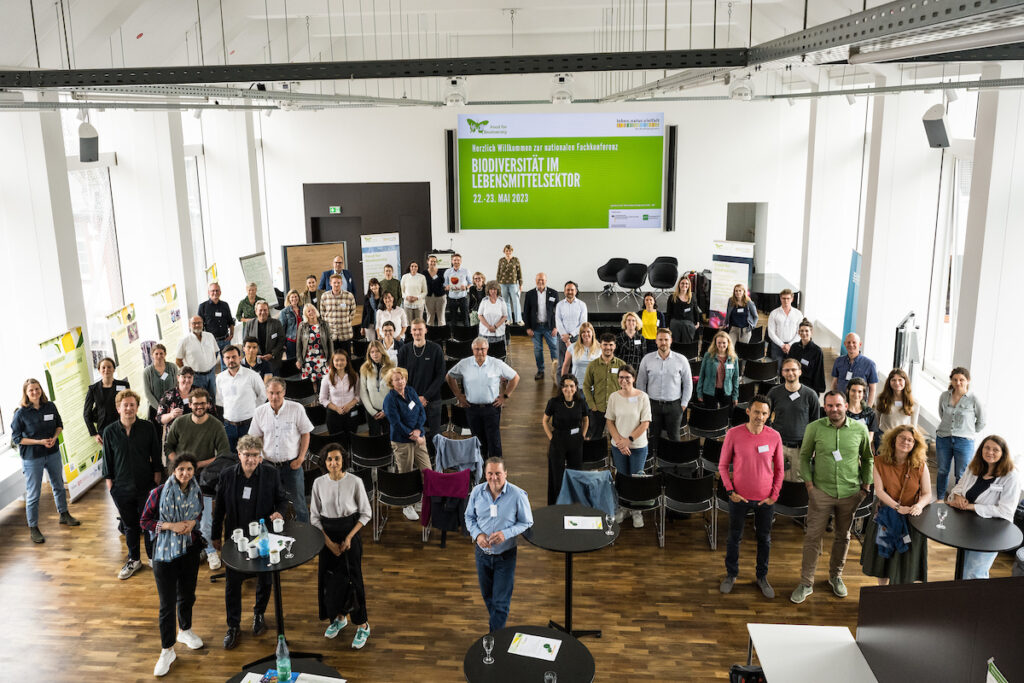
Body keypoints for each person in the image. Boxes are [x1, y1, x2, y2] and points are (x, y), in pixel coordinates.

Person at [790, 391, 873, 604]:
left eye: (837, 405)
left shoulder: (860, 429)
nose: (834, 409)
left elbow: (867, 458)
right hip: (821, 493)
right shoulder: (814, 428)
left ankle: (836, 576)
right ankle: (806, 582)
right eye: (829, 406)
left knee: (843, 536)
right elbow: (805, 457)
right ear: (824, 407)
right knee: (812, 537)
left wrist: (865, 487)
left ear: (846, 405)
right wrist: (809, 486)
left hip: (850, 493)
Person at [211, 435, 288, 650]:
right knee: (232, 583)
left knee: (265, 579)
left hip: (262, 537)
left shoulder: (271, 474)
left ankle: (259, 614)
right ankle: (233, 626)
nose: (251, 460)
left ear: (260, 456)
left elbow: (282, 500)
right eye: (247, 455)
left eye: (255, 456)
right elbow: (220, 509)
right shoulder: (227, 475)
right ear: (239, 455)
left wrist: (279, 513)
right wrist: (215, 535)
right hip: (236, 539)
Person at [140, 453, 205, 676]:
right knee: (167, 604)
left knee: (188, 595)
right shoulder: (158, 493)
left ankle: (185, 630)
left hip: (189, 550)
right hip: (164, 554)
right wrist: (170, 526)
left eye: (189, 469)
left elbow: (200, 512)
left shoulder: (197, 490)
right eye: (181, 469)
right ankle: (167, 649)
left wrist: (193, 522)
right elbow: (145, 521)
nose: (185, 473)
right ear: (173, 471)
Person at [718, 395, 783, 599]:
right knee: (734, 538)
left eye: (764, 413)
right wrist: (730, 492)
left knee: (764, 539)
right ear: (748, 411)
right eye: (756, 412)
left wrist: (774, 495)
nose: (760, 417)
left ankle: (762, 577)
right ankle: (731, 574)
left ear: (769, 415)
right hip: (739, 498)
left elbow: (780, 469)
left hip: (765, 500)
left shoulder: (774, 436)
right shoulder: (733, 434)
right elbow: (722, 466)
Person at [310, 443, 372, 649]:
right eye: (329, 459)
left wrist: (348, 538)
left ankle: (362, 625)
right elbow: (315, 518)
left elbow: (365, 513)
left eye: (337, 458)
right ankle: (339, 617)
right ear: (324, 462)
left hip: (349, 534)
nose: (333, 463)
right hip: (326, 536)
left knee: (353, 579)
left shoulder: (355, 482)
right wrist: (328, 543)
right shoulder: (318, 483)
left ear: (343, 459)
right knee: (331, 581)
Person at [164, 388, 230, 570]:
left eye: (203, 403)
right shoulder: (180, 423)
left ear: (208, 404)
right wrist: (180, 466)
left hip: (205, 479)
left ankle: (210, 552)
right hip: (181, 478)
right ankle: (187, 550)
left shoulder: (216, 425)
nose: (199, 406)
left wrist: (198, 465)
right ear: (190, 405)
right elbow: (168, 446)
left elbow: (224, 454)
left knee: (206, 519)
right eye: (196, 403)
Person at [465, 457, 534, 632]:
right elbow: (469, 517)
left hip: (506, 556)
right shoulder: (476, 492)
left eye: (498, 474)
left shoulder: (518, 495)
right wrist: (477, 534)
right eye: (490, 473)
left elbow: (527, 522)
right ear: (485, 474)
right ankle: (498, 631)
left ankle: (494, 640)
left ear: (505, 474)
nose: (494, 478)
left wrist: (506, 534)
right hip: (482, 555)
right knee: (488, 596)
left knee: (501, 603)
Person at [102, 389, 163, 579]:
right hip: (121, 488)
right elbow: (107, 462)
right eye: (125, 405)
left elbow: (156, 454)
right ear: (118, 408)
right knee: (130, 526)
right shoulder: (109, 431)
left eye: (132, 405)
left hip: (146, 486)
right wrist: (111, 487)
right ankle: (134, 559)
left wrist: (156, 479)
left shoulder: (147, 427)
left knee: (149, 524)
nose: (128, 408)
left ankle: (153, 557)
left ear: (137, 407)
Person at [859, 426, 931, 586]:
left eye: (910, 440)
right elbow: (880, 491)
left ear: (915, 444)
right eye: (902, 438)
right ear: (893, 440)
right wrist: (898, 508)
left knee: (906, 562)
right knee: (883, 560)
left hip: (911, 519)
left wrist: (919, 506)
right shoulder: (879, 461)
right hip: (887, 516)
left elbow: (927, 493)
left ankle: (898, 595)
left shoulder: (920, 465)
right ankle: (883, 591)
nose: (906, 442)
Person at [11, 378, 80, 544]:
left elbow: (59, 425)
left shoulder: (50, 406)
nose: (35, 392)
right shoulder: (21, 413)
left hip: (53, 452)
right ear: (26, 394)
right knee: (34, 494)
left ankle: (64, 514)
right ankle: (33, 527)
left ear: (41, 390)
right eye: (31, 390)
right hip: (32, 457)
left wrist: (54, 438)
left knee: (59, 486)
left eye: (37, 389)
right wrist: (39, 442)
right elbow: (16, 438)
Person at [948, 435, 1021, 579]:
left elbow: (1005, 511)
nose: (990, 452)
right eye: (986, 448)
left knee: (975, 573)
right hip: (969, 527)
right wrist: (958, 497)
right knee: (963, 568)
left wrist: (970, 506)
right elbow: (958, 487)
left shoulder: (1011, 476)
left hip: (992, 532)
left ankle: (978, 601)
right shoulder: (974, 467)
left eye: (995, 450)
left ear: (1003, 453)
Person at [248, 377, 314, 523]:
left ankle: (305, 536)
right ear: (266, 393)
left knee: (300, 504)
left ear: (284, 392)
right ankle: (272, 534)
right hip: (268, 466)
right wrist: (258, 455)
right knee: (268, 502)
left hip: (292, 465)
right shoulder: (259, 412)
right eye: (271, 393)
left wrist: (301, 458)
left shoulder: (296, 409)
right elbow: (255, 437)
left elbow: (305, 433)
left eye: (278, 393)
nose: (274, 397)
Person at [447, 337, 520, 458]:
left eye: (482, 349)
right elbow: (449, 377)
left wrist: (505, 396)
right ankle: (481, 471)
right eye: (477, 349)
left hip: (491, 408)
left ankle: (496, 471)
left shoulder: (496, 363)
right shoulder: (464, 363)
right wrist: (459, 395)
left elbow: (515, 377)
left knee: (494, 442)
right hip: (472, 408)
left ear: (487, 349)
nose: (480, 352)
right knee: (477, 441)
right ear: (472, 349)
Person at [382, 367, 432, 521]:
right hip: (402, 441)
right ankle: (407, 505)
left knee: (427, 471)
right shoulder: (389, 399)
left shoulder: (410, 391)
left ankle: (420, 500)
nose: (400, 381)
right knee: (406, 473)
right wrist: (414, 435)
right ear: (391, 382)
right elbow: (396, 423)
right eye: (396, 379)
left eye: (402, 378)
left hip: (418, 437)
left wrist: (418, 430)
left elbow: (421, 412)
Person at [605, 364, 652, 527]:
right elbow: (610, 421)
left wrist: (628, 440)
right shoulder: (613, 397)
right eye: (621, 377)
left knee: (636, 478)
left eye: (627, 377)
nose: (623, 380)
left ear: (634, 378)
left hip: (638, 446)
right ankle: (623, 508)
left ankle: (636, 511)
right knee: (622, 477)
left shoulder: (643, 397)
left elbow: (645, 423)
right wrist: (619, 441)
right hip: (618, 446)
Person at [637, 328, 693, 452]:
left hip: (674, 406)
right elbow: (641, 383)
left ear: (671, 341)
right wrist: (644, 404)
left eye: (666, 339)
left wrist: (683, 405)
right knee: (653, 438)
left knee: (674, 439)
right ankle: (655, 466)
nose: (663, 342)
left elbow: (688, 384)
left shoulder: (681, 360)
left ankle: (673, 467)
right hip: (652, 405)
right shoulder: (647, 359)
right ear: (656, 341)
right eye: (660, 339)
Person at [935, 366, 986, 501]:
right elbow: (942, 414)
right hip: (943, 438)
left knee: (962, 474)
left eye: (962, 380)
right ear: (951, 381)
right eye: (955, 379)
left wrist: (968, 431)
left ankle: (956, 500)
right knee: (942, 471)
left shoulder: (973, 398)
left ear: (968, 380)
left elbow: (981, 421)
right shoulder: (944, 396)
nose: (958, 383)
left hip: (964, 441)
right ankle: (940, 499)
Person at [397, 319, 446, 458]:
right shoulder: (404, 350)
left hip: (433, 400)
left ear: (426, 330)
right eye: (414, 329)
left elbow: (441, 376)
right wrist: (415, 398)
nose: (417, 332)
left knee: (435, 434)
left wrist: (425, 397)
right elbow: (401, 379)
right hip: (411, 401)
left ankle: (436, 464)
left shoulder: (436, 349)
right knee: (413, 433)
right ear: (410, 331)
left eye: (420, 329)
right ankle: (419, 463)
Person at [766, 358, 819, 482]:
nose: (790, 373)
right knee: (771, 479)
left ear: (800, 372)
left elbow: (815, 424)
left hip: (801, 448)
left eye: (794, 370)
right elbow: (765, 416)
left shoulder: (811, 395)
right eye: (787, 370)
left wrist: (813, 446)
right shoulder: (774, 393)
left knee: (796, 481)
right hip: (778, 446)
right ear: (782, 373)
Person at [543, 375, 590, 505]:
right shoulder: (554, 402)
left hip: (576, 441)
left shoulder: (581, 402)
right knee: (556, 475)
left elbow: (586, 420)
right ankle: (557, 504)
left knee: (575, 473)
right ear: (561, 388)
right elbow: (545, 421)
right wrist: (551, 437)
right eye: (565, 386)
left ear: (576, 388)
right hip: (558, 440)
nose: (568, 389)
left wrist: (582, 435)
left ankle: (574, 503)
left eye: (571, 386)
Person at [215, 345, 267, 454]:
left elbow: (263, 396)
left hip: (249, 425)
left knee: (250, 455)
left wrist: (252, 409)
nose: (231, 360)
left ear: (240, 357)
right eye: (227, 358)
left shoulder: (252, 375)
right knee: (231, 457)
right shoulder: (220, 378)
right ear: (223, 360)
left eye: (234, 357)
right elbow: (220, 399)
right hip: (229, 426)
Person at [582, 334, 626, 440]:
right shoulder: (592, 365)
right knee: (595, 438)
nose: (608, 347)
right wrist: (592, 405)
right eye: (605, 344)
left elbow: (627, 387)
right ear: (600, 346)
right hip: (598, 409)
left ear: (615, 346)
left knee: (617, 439)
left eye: (611, 345)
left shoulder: (621, 365)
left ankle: (615, 457)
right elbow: (586, 386)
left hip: (616, 410)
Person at [84, 357, 130, 445]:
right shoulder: (93, 389)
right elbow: (86, 414)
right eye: (103, 367)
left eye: (109, 367)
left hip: (123, 426)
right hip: (104, 430)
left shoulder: (124, 385)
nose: (106, 370)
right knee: (110, 457)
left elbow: (130, 405)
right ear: (99, 370)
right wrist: (94, 434)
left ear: (114, 369)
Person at [522, 272, 559, 381]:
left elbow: (558, 311)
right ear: (535, 281)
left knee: (554, 348)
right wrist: (528, 327)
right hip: (535, 327)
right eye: (538, 280)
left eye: (542, 279)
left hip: (550, 327)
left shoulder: (554, 293)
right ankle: (540, 370)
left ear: (546, 281)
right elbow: (526, 312)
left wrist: (556, 327)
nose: (540, 282)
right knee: (538, 350)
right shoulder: (529, 294)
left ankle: (556, 370)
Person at [874, 368, 919, 452]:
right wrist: (872, 440)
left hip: (903, 438)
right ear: (889, 382)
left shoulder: (914, 403)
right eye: (893, 380)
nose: (897, 383)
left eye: (900, 380)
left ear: (905, 381)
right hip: (883, 437)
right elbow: (876, 421)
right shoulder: (881, 399)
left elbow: (913, 426)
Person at [176, 316, 220, 401]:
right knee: (200, 399)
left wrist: (210, 363)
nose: (197, 325)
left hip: (211, 374)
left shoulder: (210, 336)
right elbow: (178, 360)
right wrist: (188, 373)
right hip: (196, 377)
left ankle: (213, 413)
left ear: (203, 324)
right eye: (194, 323)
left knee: (212, 397)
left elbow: (216, 351)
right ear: (189, 325)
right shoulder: (184, 341)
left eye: (199, 323)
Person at [320, 349, 361, 436]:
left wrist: (348, 406)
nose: (340, 363)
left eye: (342, 360)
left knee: (351, 439)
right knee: (336, 441)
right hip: (333, 414)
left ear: (347, 361)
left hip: (351, 412)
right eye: (337, 360)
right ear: (333, 362)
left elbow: (358, 395)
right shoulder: (327, 378)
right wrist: (336, 408)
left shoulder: (355, 376)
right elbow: (322, 399)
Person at [830, 333, 879, 404]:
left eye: (854, 342)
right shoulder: (838, 361)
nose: (851, 345)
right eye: (848, 342)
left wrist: (868, 408)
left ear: (860, 344)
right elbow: (834, 383)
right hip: (841, 403)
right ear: (844, 344)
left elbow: (872, 389)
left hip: (859, 406)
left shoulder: (870, 364)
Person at [359, 341, 395, 437]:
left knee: (389, 437)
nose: (375, 354)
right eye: (372, 352)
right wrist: (372, 412)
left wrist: (385, 410)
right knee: (374, 437)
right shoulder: (364, 368)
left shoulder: (392, 366)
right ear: (369, 354)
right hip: (372, 411)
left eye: (377, 351)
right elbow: (363, 392)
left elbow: (394, 391)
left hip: (388, 409)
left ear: (382, 352)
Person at [696, 331, 740, 407]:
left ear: (728, 343)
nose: (721, 345)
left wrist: (735, 396)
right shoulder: (708, 355)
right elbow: (702, 374)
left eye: (724, 343)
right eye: (719, 342)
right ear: (715, 343)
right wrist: (699, 392)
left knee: (725, 416)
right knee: (711, 415)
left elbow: (735, 378)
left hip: (726, 391)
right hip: (709, 391)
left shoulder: (734, 358)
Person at [297, 303, 333, 390]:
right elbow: (299, 344)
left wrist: (331, 358)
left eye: (312, 310)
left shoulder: (324, 324)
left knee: (325, 382)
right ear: (305, 314)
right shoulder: (302, 325)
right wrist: (299, 360)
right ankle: (314, 401)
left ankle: (322, 400)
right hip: (308, 358)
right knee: (312, 383)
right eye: (308, 311)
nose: (311, 312)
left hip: (322, 357)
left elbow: (330, 342)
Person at [197, 282, 235, 365]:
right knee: (210, 365)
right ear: (208, 292)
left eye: (217, 290)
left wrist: (232, 334)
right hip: (211, 342)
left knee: (227, 365)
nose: (215, 293)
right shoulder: (202, 307)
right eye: (213, 291)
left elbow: (230, 321)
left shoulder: (225, 305)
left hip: (225, 341)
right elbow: (199, 326)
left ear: (220, 292)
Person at [243, 300, 286, 371]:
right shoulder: (249, 324)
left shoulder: (276, 323)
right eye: (260, 310)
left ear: (268, 311)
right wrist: (255, 356)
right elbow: (245, 343)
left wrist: (272, 354)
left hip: (273, 361)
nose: (263, 312)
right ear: (256, 311)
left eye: (265, 310)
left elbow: (281, 341)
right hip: (255, 361)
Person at [786, 319, 826, 394]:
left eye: (806, 331)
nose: (804, 333)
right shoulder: (794, 347)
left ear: (811, 332)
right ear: (798, 332)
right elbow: (787, 365)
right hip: (793, 383)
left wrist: (815, 392)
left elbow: (818, 371)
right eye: (801, 331)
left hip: (808, 386)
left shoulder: (817, 351)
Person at [766, 289, 803, 370]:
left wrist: (789, 345)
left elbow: (800, 332)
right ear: (780, 298)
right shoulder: (774, 313)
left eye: (788, 298)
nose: (786, 301)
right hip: (777, 345)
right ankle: (778, 383)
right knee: (776, 369)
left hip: (793, 345)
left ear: (792, 299)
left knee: (792, 368)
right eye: (784, 298)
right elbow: (771, 333)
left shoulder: (798, 314)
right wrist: (782, 345)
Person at [554, 281, 588, 368]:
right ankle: (561, 382)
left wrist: (569, 336)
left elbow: (583, 323)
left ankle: (574, 382)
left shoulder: (582, 305)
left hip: (576, 338)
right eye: (567, 290)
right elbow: (558, 322)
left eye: (572, 290)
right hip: (562, 338)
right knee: (561, 365)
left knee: (576, 364)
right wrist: (565, 337)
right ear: (564, 291)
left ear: (576, 291)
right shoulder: (559, 305)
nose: (569, 292)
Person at [320, 274, 356, 353]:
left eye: (338, 283)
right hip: (331, 334)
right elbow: (322, 313)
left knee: (347, 359)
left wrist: (346, 321)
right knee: (332, 359)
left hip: (345, 333)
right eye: (334, 282)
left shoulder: (349, 296)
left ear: (341, 283)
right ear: (330, 283)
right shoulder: (324, 296)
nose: (336, 285)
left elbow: (353, 312)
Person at [144, 344, 178, 422]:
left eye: (161, 353)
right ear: (152, 355)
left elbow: (177, 385)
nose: (159, 356)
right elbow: (147, 393)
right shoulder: (147, 372)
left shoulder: (173, 367)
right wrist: (160, 408)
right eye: (156, 354)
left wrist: (171, 406)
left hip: (172, 407)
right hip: (155, 409)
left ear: (165, 354)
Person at [560, 322, 599, 386]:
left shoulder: (600, 348)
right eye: (583, 332)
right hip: (577, 387)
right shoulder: (572, 347)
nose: (586, 334)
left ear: (592, 333)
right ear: (580, 334)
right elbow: (566, 365)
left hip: (595, 387)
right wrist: (563, 383)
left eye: (588, 331)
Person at [665, 276, 702, 344]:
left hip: (688, 324)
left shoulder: (692, 296)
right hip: (675, 323)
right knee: (676, 344)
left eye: (686, 283)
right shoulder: (672, 297)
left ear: (689, 285)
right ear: (679, 284)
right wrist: (667, 326)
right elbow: (668, 313)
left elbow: (696, 310)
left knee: (686, 342)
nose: (684, 285)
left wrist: (697, 323)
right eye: (682, 283)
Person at [495, 244, 524, 325]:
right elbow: (498, 272)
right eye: (507, 250)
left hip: (513, 284)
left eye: (510, 250)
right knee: (505, 302)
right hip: (502, 284)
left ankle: (518, 319)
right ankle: (508, 319)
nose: (508, 252)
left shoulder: (516, 260)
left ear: (512, 251)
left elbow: (519, 272)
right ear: (504, 251)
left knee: (516, 301)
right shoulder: (501, 260)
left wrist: (520, 284)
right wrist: (497, 284)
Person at [846, 378, 878, 446]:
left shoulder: (869, 413)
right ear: (848, 391)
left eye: (859, 391)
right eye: (853, 391)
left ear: (864, 393)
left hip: (862, 448)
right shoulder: (842, 411)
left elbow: (870, 437)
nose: (856, 394)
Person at [477, 280, 509, 344]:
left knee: (499, 352)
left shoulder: (502, 301)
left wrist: (495, 327)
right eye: (491, 289)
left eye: (495, 289)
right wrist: (489, 327)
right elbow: (480, 315)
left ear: (498, 290)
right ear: (488, 290)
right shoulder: (484, 300)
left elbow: (505, 316)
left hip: (499, 332)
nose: (493, 291)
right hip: (484, 332)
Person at [280, 288, 303, 362]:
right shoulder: (284, 312)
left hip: (303, 340)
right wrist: (282, 343)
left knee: (303, 360)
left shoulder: (303, 309)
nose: (294, 299)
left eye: (296, 296)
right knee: (292, 361)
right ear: (289, 299)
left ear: (298, 298)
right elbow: (282, 328)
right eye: (292, 297)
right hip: (291, 341)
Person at [423, 255, 447, 326]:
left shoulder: (442, 272)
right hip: (429, 297)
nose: (433, 263)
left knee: (441, 318)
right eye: (431, 261)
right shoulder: (424, 273)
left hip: (440, 297)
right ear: (428, 262)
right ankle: (431, 336)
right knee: (430, 317)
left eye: (434, 261)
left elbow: (446, 283)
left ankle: (442, 336)